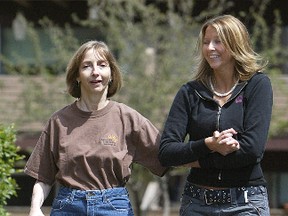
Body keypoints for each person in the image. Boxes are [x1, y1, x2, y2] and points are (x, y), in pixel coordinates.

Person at [24, 40, 167, 216]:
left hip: (114, 207)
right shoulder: (58, 121)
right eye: (86, 66)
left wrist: (203, 150)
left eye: (102, 65)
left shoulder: (128, 118)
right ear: (77, 75)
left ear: (111, 73)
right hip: (68, 207)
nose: (95, 72)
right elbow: (43, 177)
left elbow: (169, 154)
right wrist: (35, 208)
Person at [158, 14, 273, 216]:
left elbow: (252, 150)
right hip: (196, 202)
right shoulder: (189, 92)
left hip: (245, 202)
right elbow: (167, 152)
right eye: (206, 42)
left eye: (218, 41)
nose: (210, 48)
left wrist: (198, 160)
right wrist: (209, 145)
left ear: (235, 43)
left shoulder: (257, 85)